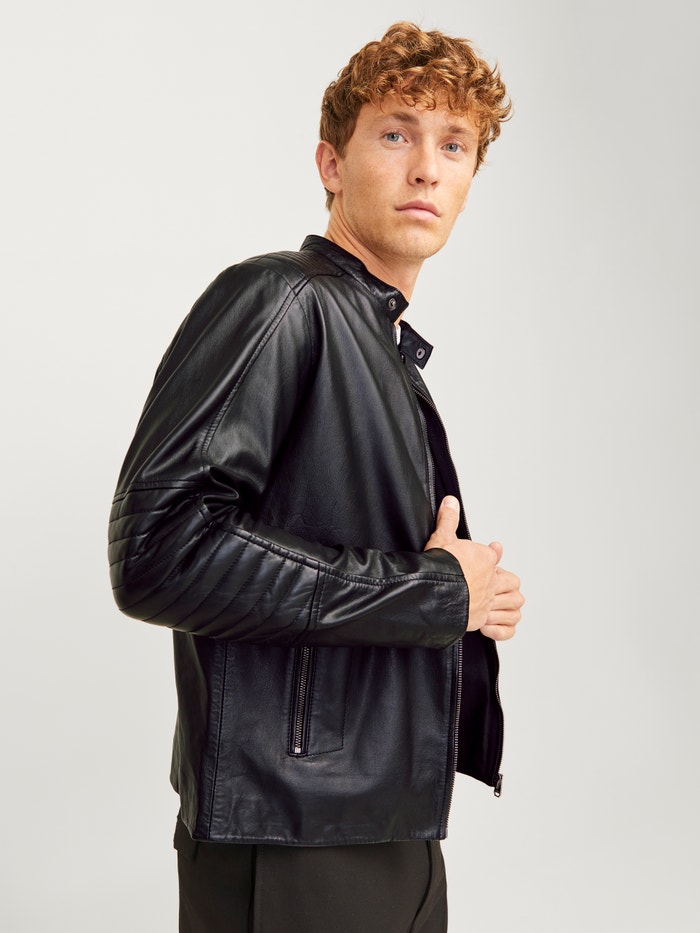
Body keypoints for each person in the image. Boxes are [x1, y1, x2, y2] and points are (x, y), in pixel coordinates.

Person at [109, 20, 524, 933]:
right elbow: (157, 550)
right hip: (294, 839)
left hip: (385, 826)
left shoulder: (379, 345)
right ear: (332, 163)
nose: (427, 168)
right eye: (397, 133)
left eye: (454, 145)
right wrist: (431, 593)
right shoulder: (282, 299)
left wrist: (467, 599)